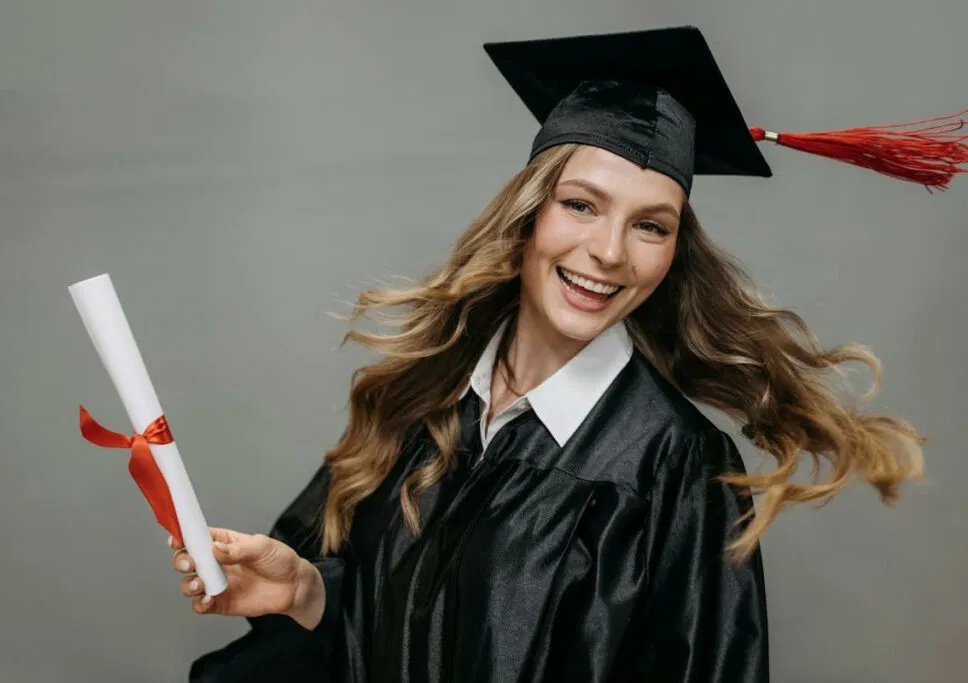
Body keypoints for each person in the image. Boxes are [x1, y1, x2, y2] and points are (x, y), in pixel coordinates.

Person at [171, 25, 962, 683]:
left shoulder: (678, 472)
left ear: (674, 250)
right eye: (581, 205)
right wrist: (307, 590)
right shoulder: (425, 402)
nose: (609, 251)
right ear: (529, 213)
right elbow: (371, 638)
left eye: (651, 225)